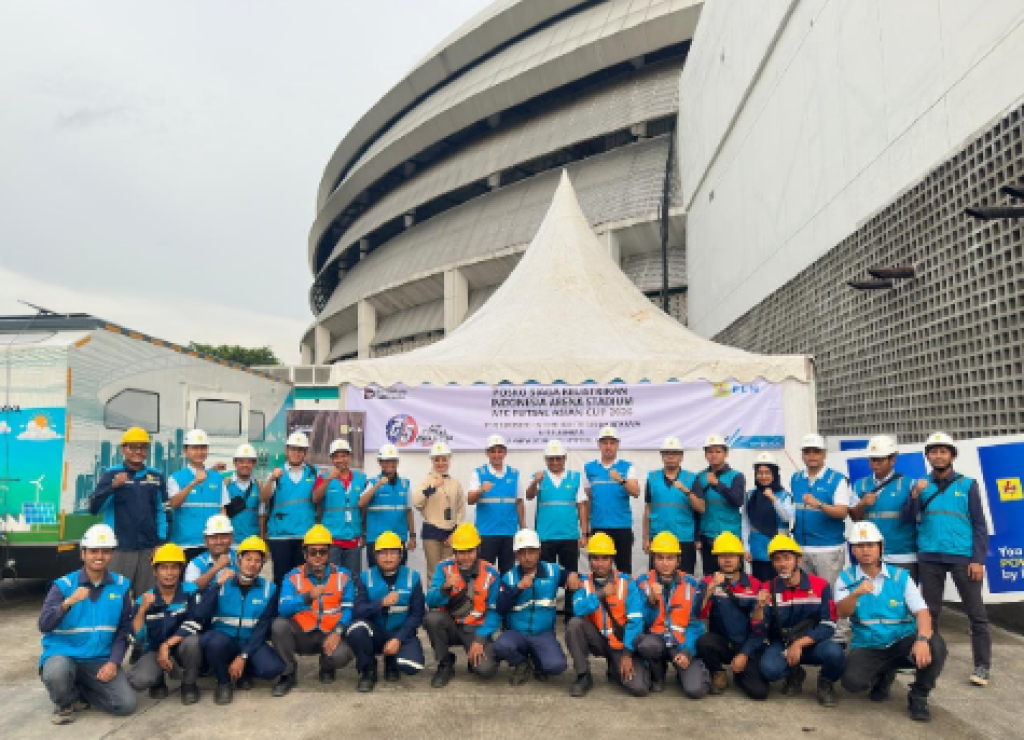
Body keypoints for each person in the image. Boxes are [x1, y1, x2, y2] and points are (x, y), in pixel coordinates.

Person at [904, 431, 990, 686]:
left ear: (952, 455)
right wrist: (914, 496)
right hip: (929, 556)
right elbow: (908, 518)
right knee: (930, 613)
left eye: (943, 451)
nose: (938, 455)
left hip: (963, 557)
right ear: (928, 456)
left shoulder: (967, 484)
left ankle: (982, 666)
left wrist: (978, 559)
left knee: (976, 614)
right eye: (934, 451)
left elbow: (979, 525)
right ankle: (931, 659)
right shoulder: (920, 486)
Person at [837, 522, 947, 722]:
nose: (866, 550)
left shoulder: (901, 577)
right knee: (852, 683)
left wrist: (922, 640)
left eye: (871, 545)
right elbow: (841, 613)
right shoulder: (846, 578)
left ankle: (919, 696)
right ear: (853, 550)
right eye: (860, 546)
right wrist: (855, 594)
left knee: (936, 646)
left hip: (901, 641)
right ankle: (883, 676)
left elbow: (922, 612)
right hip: (868, 645)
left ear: (881, 547)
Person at [38, 524, 137, 724]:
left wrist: (114, 662)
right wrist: (67, 603)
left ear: (111, 554)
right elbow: (44, 624)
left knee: (127, 704)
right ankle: (64, 702)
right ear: (83, 553)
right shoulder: (63, 585)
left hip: (99, 659)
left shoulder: (121, 586)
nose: (99, 556)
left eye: (105, 551)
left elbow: (124, 629)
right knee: (57, 672)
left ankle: (82, 691)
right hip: (64, 655)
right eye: (93, 551)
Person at [752, 534, 845, 707]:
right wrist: (758, 608)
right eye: (777, 559)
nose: (782, 564)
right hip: (783, 643)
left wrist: (800, 644)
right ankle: (794, 673)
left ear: (799, 560)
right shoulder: (767, 588)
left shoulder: (820, 585)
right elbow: (759, 629)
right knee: (769, 670)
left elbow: (829, 624)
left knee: (836, 653)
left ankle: (826, 683)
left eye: (787, 558)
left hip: (813, 642)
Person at [194, 535, 285, 704]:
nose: (252, 564)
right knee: (214, 643)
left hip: (250, 642)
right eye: (248, 559)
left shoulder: (269, 589)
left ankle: (243, 671)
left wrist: (243, 656)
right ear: (239, 560)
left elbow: (263, 628)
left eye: (257, 561)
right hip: (223, 641)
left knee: (272, 669)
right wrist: (217, 585)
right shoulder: (222, 583)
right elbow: (200, 613)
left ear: (262, 564)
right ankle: (223, 682)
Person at [271, 524, 355, 695]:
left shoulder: (343, 576)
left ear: (329, 553)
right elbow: (283, 609)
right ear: (305, 554)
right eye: (313, 552)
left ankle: (327, 666)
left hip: (329, 634)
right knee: (279, 625)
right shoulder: (292, 576)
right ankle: (288, 673)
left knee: (343, 655)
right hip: (303, 635)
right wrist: (306, 597)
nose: (318, 556)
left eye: (322, 552)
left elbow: (349, 609)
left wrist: (338, 632)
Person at [565, 532, 648, 698]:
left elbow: (636, 621)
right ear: (589, 560)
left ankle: (614, 667)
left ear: (612, 560)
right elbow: (578, 609)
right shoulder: (583, 582)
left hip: (621, 644)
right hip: (597, 639)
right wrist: (600, 594)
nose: (600, 564)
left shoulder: (626, 583)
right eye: (595, 558)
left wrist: (627, 654)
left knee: (640, 688)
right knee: (574, 624)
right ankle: (583, 675)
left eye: (605, 558)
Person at [87, 426, 168, 596]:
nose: (138, 451)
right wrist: (112, 487)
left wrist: (160, 542)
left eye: (143, 447)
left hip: (148, 549)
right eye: (133, 447)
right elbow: (94, 508)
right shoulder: (111, 474)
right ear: (123, 449)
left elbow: (162, 511)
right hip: (120, 548)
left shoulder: (156, 476)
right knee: (116, 596)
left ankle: (142, 623)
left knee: (147, 598)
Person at [494, 528, 576, 685]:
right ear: (516, 555)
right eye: (522, 552)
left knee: (557, 666)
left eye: (531, 551)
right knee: (500, 646)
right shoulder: (509, 577)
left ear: (539, 552)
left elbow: (570, 576)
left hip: (542, 634)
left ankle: (538, 663)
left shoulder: (552, 571)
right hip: (516, 633)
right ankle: (521, 663)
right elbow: (500, 607)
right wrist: (518, 588)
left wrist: (573, 575)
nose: (527, 557)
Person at [423, 522, 501, 687]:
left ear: (478, 549)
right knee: (432, 619)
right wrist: (444, 589)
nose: (465, 557)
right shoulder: (444, 568)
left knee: (486, 670)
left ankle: (473, 657)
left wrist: (480, 639)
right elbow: (429, 600)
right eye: (460, 552)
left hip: (475, 628)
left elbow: (495, 612)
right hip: (450, 625)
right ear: (454, 551)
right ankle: (445, 663)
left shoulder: (491, 573)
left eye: (470, 551)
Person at [126, 543, 204, 705]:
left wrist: (167, 645)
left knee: (194, 641)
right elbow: (137, 639)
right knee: (139, 681)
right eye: (164, 568)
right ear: (155, 572)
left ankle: (189, 684)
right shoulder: (144, 599)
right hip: (154, 651)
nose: (169, 573)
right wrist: (142, 611)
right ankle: (157, 680)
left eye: (174, 567)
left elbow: (196, 621)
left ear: (180, 570)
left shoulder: (191, 591)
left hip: (182, 647)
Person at [349, 531, 426, 692]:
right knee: (356, 629)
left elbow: (417, 615)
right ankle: (368, 669)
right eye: (383, 553)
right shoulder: (365, 577)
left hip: (401, 633)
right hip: (376, 633)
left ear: (401, 555)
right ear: (375, 555)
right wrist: (381, 603)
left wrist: (398, 639)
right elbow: (357, 611)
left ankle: (392, 663)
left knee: (413, 666)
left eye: (393, 552)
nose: (388, 557)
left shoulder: (413, 577)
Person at [695, 532, 769, 700]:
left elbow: (760, 630)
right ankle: (718, 672)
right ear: (717, 559)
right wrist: (710, 589)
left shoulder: (755, 585)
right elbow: (698, 614)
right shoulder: (708, 582)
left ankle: (740, 674)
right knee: (704, 642)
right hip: (722, 644)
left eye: (732, 556)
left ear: (740, 558)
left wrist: (744, 654)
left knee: (759, 692)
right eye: (723, 556)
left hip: (747, 644)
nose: (727, 560)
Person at [634, 532, 708, 698]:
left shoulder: (692, 584)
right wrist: (651, 601)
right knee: (647, 645)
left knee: (695, 690)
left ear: (678, 560)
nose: (665, 563)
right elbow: (639, 622)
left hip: (681, 642)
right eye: (660, 558)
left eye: (670, 558)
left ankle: (685, 670)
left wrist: (688, 651)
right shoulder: (642, 583)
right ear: (653, 560)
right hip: (656, 639)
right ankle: (657, 674)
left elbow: (696, 625)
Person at [525, 439, 586, 621]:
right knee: (545, 579)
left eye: (558, 459)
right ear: (546, 460)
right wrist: (535, 482)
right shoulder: (539, 476)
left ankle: (570, 616)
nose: (554, 462)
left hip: (569, 536)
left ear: (564, 458)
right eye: (550, 459)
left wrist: (585, 533)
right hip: (545, 537)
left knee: (571, 577)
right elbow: (528, 496)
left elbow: (582, 505)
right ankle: (546, 615)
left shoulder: (575, 477)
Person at [849, 435, 919, 580]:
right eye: (872, 459)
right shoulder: (859, 485)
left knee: (903, 599)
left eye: (879, 459)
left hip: (902, 555)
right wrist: (862, 504)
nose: (875, 464)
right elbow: (855, 518)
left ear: (892, 459)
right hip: (871, 556)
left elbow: (915, 516)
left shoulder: (909, 484)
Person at [790, 433, 851, 591]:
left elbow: (842, 512)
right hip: (800, 549)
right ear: (802, 455)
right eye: (807, 452)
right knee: (805, 596)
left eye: (816, 451)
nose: (811, 456)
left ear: (824, 454)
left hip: (828, 549)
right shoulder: (796, 478)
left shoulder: (837, 479)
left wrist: (819, 505)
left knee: (827, 596)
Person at [261, 431, 318, 589]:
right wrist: (272, 479)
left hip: (304, 535)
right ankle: (280, 611)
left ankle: (301, 612)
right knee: (281, 578)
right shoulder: (276, 473)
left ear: (305, 453)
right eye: (293, 449)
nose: (296, 453)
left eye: (300, 450)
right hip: (280, 536)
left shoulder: (313, 473)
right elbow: (264, 498)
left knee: (303, 578)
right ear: (286, 450)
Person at [583, 426, 640, 574]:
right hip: (598, 527)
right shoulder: (589, 468)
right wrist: (586, 531)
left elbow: (636, 492)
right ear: (599, 445)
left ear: (617, 445)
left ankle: (625, 597)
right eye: (605, 442)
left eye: (612, 442)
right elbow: (586, 501)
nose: (608, 446)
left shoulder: (627, 467)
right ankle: (599, 597)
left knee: (624, 570)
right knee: (598, 571)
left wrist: (621, 480)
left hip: (621, 527)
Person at [168, 428, 229, 561]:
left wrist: (224, 538)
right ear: (185, 451)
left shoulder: (217, 478)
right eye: (194, 448)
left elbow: (222, 509)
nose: (199, 452)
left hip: (212, 544)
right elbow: (173, 503)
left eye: (203, 448)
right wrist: (193, 483)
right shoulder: (176, 478)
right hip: (185, 544)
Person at [643, 437, 700, 574]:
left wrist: (687, 491)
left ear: (681, 456)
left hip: (684, 538)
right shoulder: (652, 477)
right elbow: (648, 508)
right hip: (658, 538)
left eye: (675, 453)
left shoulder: (691, 478)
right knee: (656, 580)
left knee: (685, 579)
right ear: (662, 456)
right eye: (667, 453)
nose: (671, 456)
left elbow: (701, 508)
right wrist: (646, 538)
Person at [467, 434, 524, 574]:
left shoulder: (514, 474)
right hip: (486, 533)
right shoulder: (479, 473)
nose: (496, 455)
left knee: (508, 573)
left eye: (500, 451)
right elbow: (469, 500)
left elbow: (519, 502)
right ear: (487, 453)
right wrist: (481, 490)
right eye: (493, 451)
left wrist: (522, 528)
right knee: (484, 573)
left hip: (509, 532)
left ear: (505, 453)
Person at [692, 433, 746, 575]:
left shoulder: (737, 476)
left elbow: (738, 501)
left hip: (731, 535)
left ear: (725, 453)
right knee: (710, 577)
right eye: (710, 451)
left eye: (718, 451)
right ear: (705, 455)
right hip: (708, 536)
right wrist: (697, 537)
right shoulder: (699, 476)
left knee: (734, 577)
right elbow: (697, 509)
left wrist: (718, 485)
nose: (714, 455)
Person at [312, 438, 367, 575]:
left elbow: (364, 508)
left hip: (353, 538)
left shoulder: (361, 478)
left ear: (349, 457)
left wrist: (364, 533)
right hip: (332, 539)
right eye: (336, 457)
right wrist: (329, 479)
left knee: (353, 578)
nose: (340, 460)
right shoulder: (323, 477)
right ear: (332, 459)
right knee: (332, 578)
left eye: (343, 456)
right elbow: (315, 498)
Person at [412, 441, 466, 579]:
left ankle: (449, 601)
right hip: (432, 531)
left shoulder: (455, 483)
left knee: (450, 571)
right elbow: (416, 502)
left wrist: (456, 531)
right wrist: (432, 487)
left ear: (449, 460)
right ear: (432, 461)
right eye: (437, 460)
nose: (441, 463)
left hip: (450, 532)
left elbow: (460, 508)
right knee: (434, 572)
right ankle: (433, 600)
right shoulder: (427, 481)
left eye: (444, 459)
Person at [361, 443, 416, 569]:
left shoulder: (405, 484)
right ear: (380, 463)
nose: (389, 464)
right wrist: (377, 486)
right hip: (376, 539)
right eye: (385, 461)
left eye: (392, 461)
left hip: (398, 539)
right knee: (375, 577)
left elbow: (408, 511)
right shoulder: (372, 482)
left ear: (397, 462)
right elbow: (361, 503)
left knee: (399, 576)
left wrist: (412, 536)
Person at [742, 452, 794, 582]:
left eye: (767, 472)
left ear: (774, 474)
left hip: (779, 552)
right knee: (759, 587)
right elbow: (745, 523)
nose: (763, 476)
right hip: (757, 551)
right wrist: (746, 548)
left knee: (778, 587)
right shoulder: (750, 495)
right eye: (760, 472)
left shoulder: (784, 495)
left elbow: (787, 518)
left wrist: (773, 499)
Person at [183, 514, 236, 591]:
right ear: (205, 540)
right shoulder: (196, 564)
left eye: (224, 537)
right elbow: (189, 591)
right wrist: (216, 568)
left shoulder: (241, 559)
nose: (219, 542)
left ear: (232, 539)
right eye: (213, 537)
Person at [224, 443, 265, 543]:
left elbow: (261, 516)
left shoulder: (259, 486)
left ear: (254, 464)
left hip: (253, 542)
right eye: (241, 461)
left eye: (249, 462)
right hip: (230, 543)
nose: (245, 465)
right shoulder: (225, 484)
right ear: (235, 463)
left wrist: (262, 540)